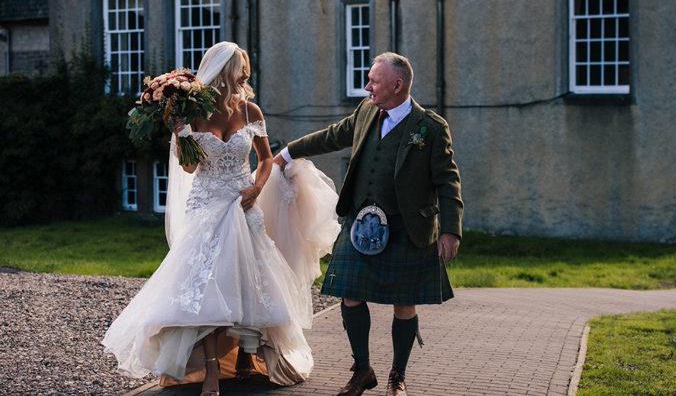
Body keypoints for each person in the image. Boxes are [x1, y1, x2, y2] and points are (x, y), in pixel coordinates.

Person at [102, 42, 339, 396]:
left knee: (249, 282)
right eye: (241, 67)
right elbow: (190, 167)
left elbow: (265, 160)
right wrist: (181, 132)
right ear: (224, 71)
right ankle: (212, 370)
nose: (246, 74)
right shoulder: (190, 112)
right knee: (208, 288)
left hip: (243, 203)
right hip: (207, 204)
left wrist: (258, 189)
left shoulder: (251, 110)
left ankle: (246, 353)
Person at [274, 52, 463, 396]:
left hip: (407, 227)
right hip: (360, 222)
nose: (367, 87)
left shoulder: (431, 128)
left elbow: (448, 182)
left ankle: (397, 377)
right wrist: (287, 153)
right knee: (348, 294)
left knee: (404, 303)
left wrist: (450, 230)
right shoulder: (365, 112)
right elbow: (333, 135)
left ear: (397, 84)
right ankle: (362, 371)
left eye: (374, 81)